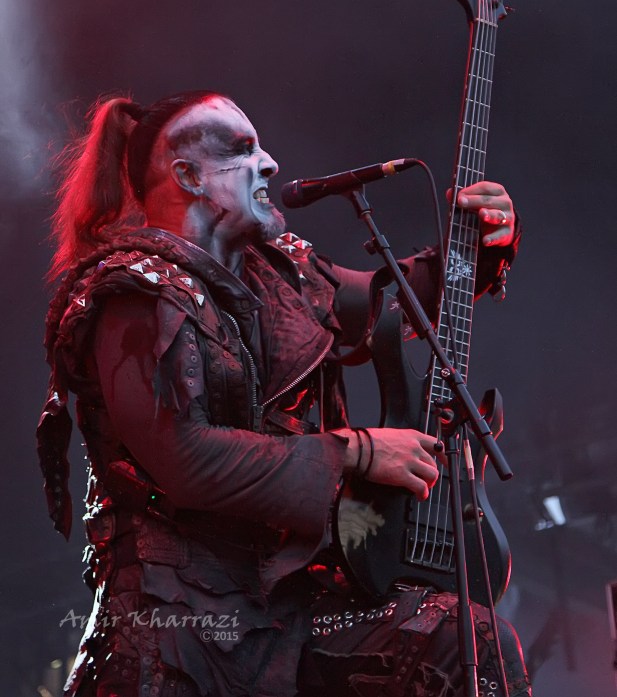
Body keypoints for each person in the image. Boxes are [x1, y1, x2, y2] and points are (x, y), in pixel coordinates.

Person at [38, 91, 530, 696]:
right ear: (188, 176)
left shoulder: (279, 273)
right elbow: (184, 458)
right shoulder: (132, 293)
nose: (269, 163)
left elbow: (392, 303)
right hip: (179, 627)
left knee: (466, 638)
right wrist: (356, 451)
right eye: (242, 150)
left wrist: (476, 248)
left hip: (287, 609)